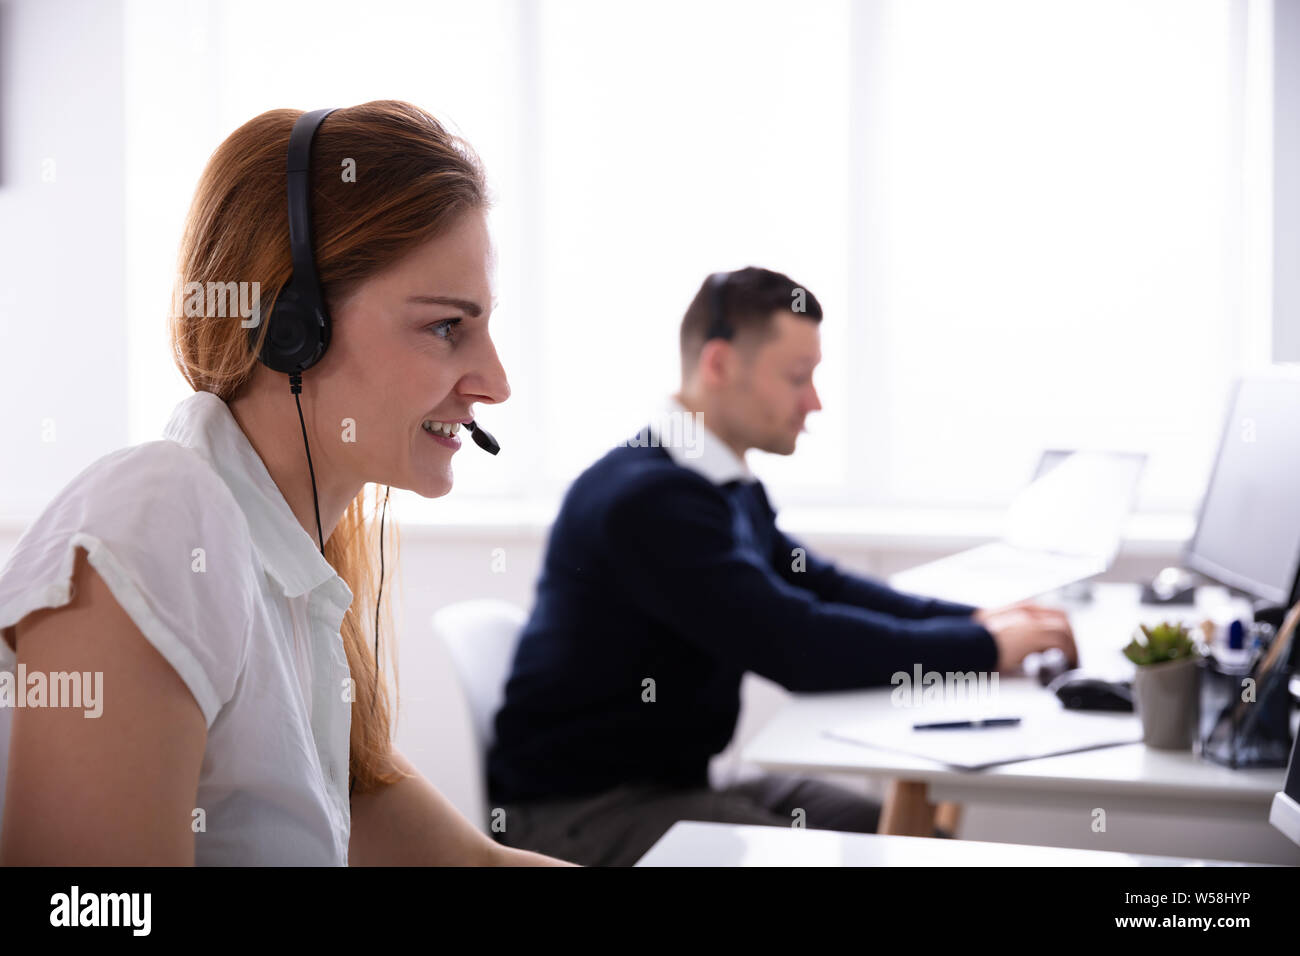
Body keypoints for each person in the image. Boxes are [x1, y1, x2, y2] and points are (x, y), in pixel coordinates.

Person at [0, 101, 569, 866]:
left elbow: (473, 864)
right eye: (445, 327)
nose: (495, 382)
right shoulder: (164, 514)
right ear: (292, 326)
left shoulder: (300, 582)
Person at [487, 266, 1077, 866]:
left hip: (672, 787)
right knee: (900, 858)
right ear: (719, 365)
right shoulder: (652, 500)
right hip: (584, 813)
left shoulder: (714, 482)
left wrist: (977, 619)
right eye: (799, 377)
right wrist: (982, 646)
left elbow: (819, 585)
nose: (814, 402)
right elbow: (795, 642)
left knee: (919, 846)